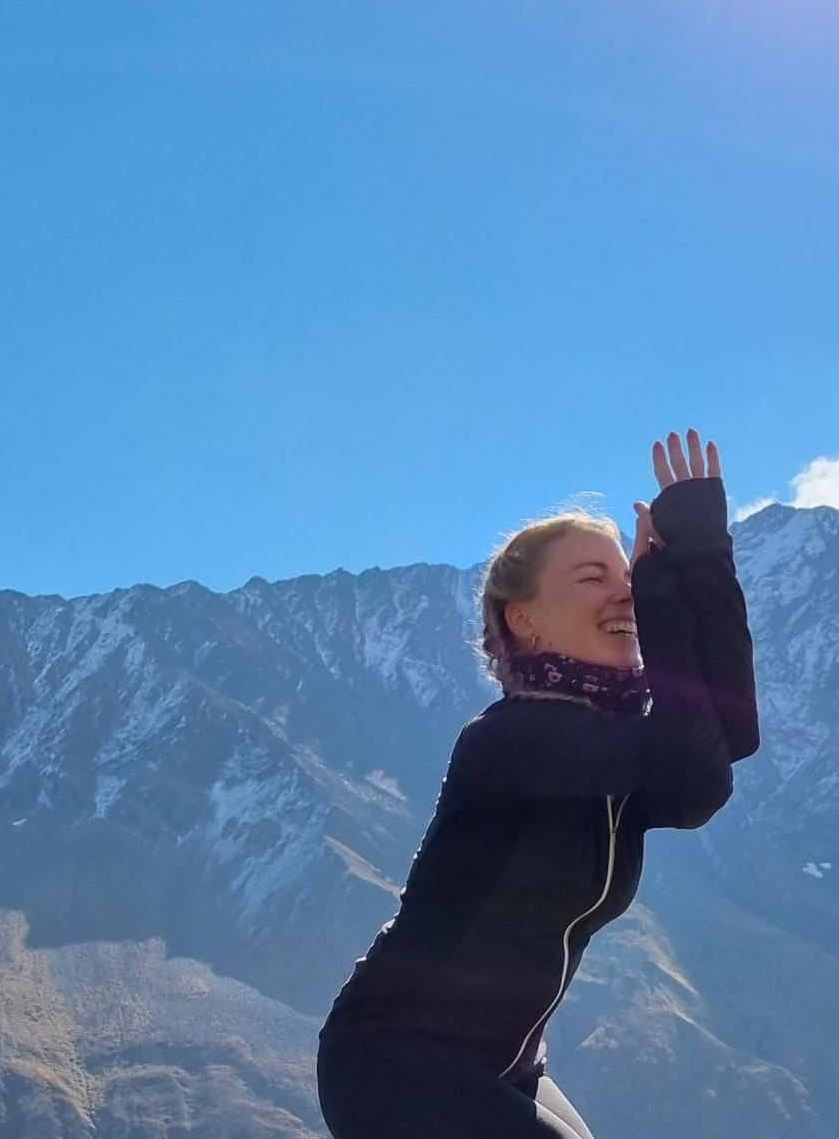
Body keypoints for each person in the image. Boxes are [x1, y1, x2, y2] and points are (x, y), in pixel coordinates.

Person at [314, 427, 760, 1138]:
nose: (626, 594)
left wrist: (702, 555)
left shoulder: (619, 748)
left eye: (628, 574)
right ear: (524, 621)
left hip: (509, 1065)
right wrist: (663, 594)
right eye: (596, 579)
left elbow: (722, 750)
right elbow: (689, 758)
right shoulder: (511, 742)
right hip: (396, 1061)